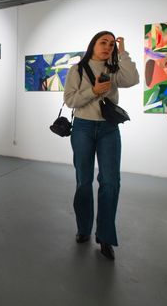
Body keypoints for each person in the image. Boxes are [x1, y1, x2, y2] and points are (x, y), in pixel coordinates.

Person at [64, 31, 139, 260]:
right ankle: (83, 228)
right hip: (83, 128)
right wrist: (93, 91)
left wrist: (123, 53)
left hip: (109, 129)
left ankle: (105, 236)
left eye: (111, 44)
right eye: (103, 42)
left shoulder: (114, 70)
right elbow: (70, 100)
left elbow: (132, 79)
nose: (107, 47)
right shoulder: (77, 70)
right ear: (93, 45)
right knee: (84, 181)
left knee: (110, 182)